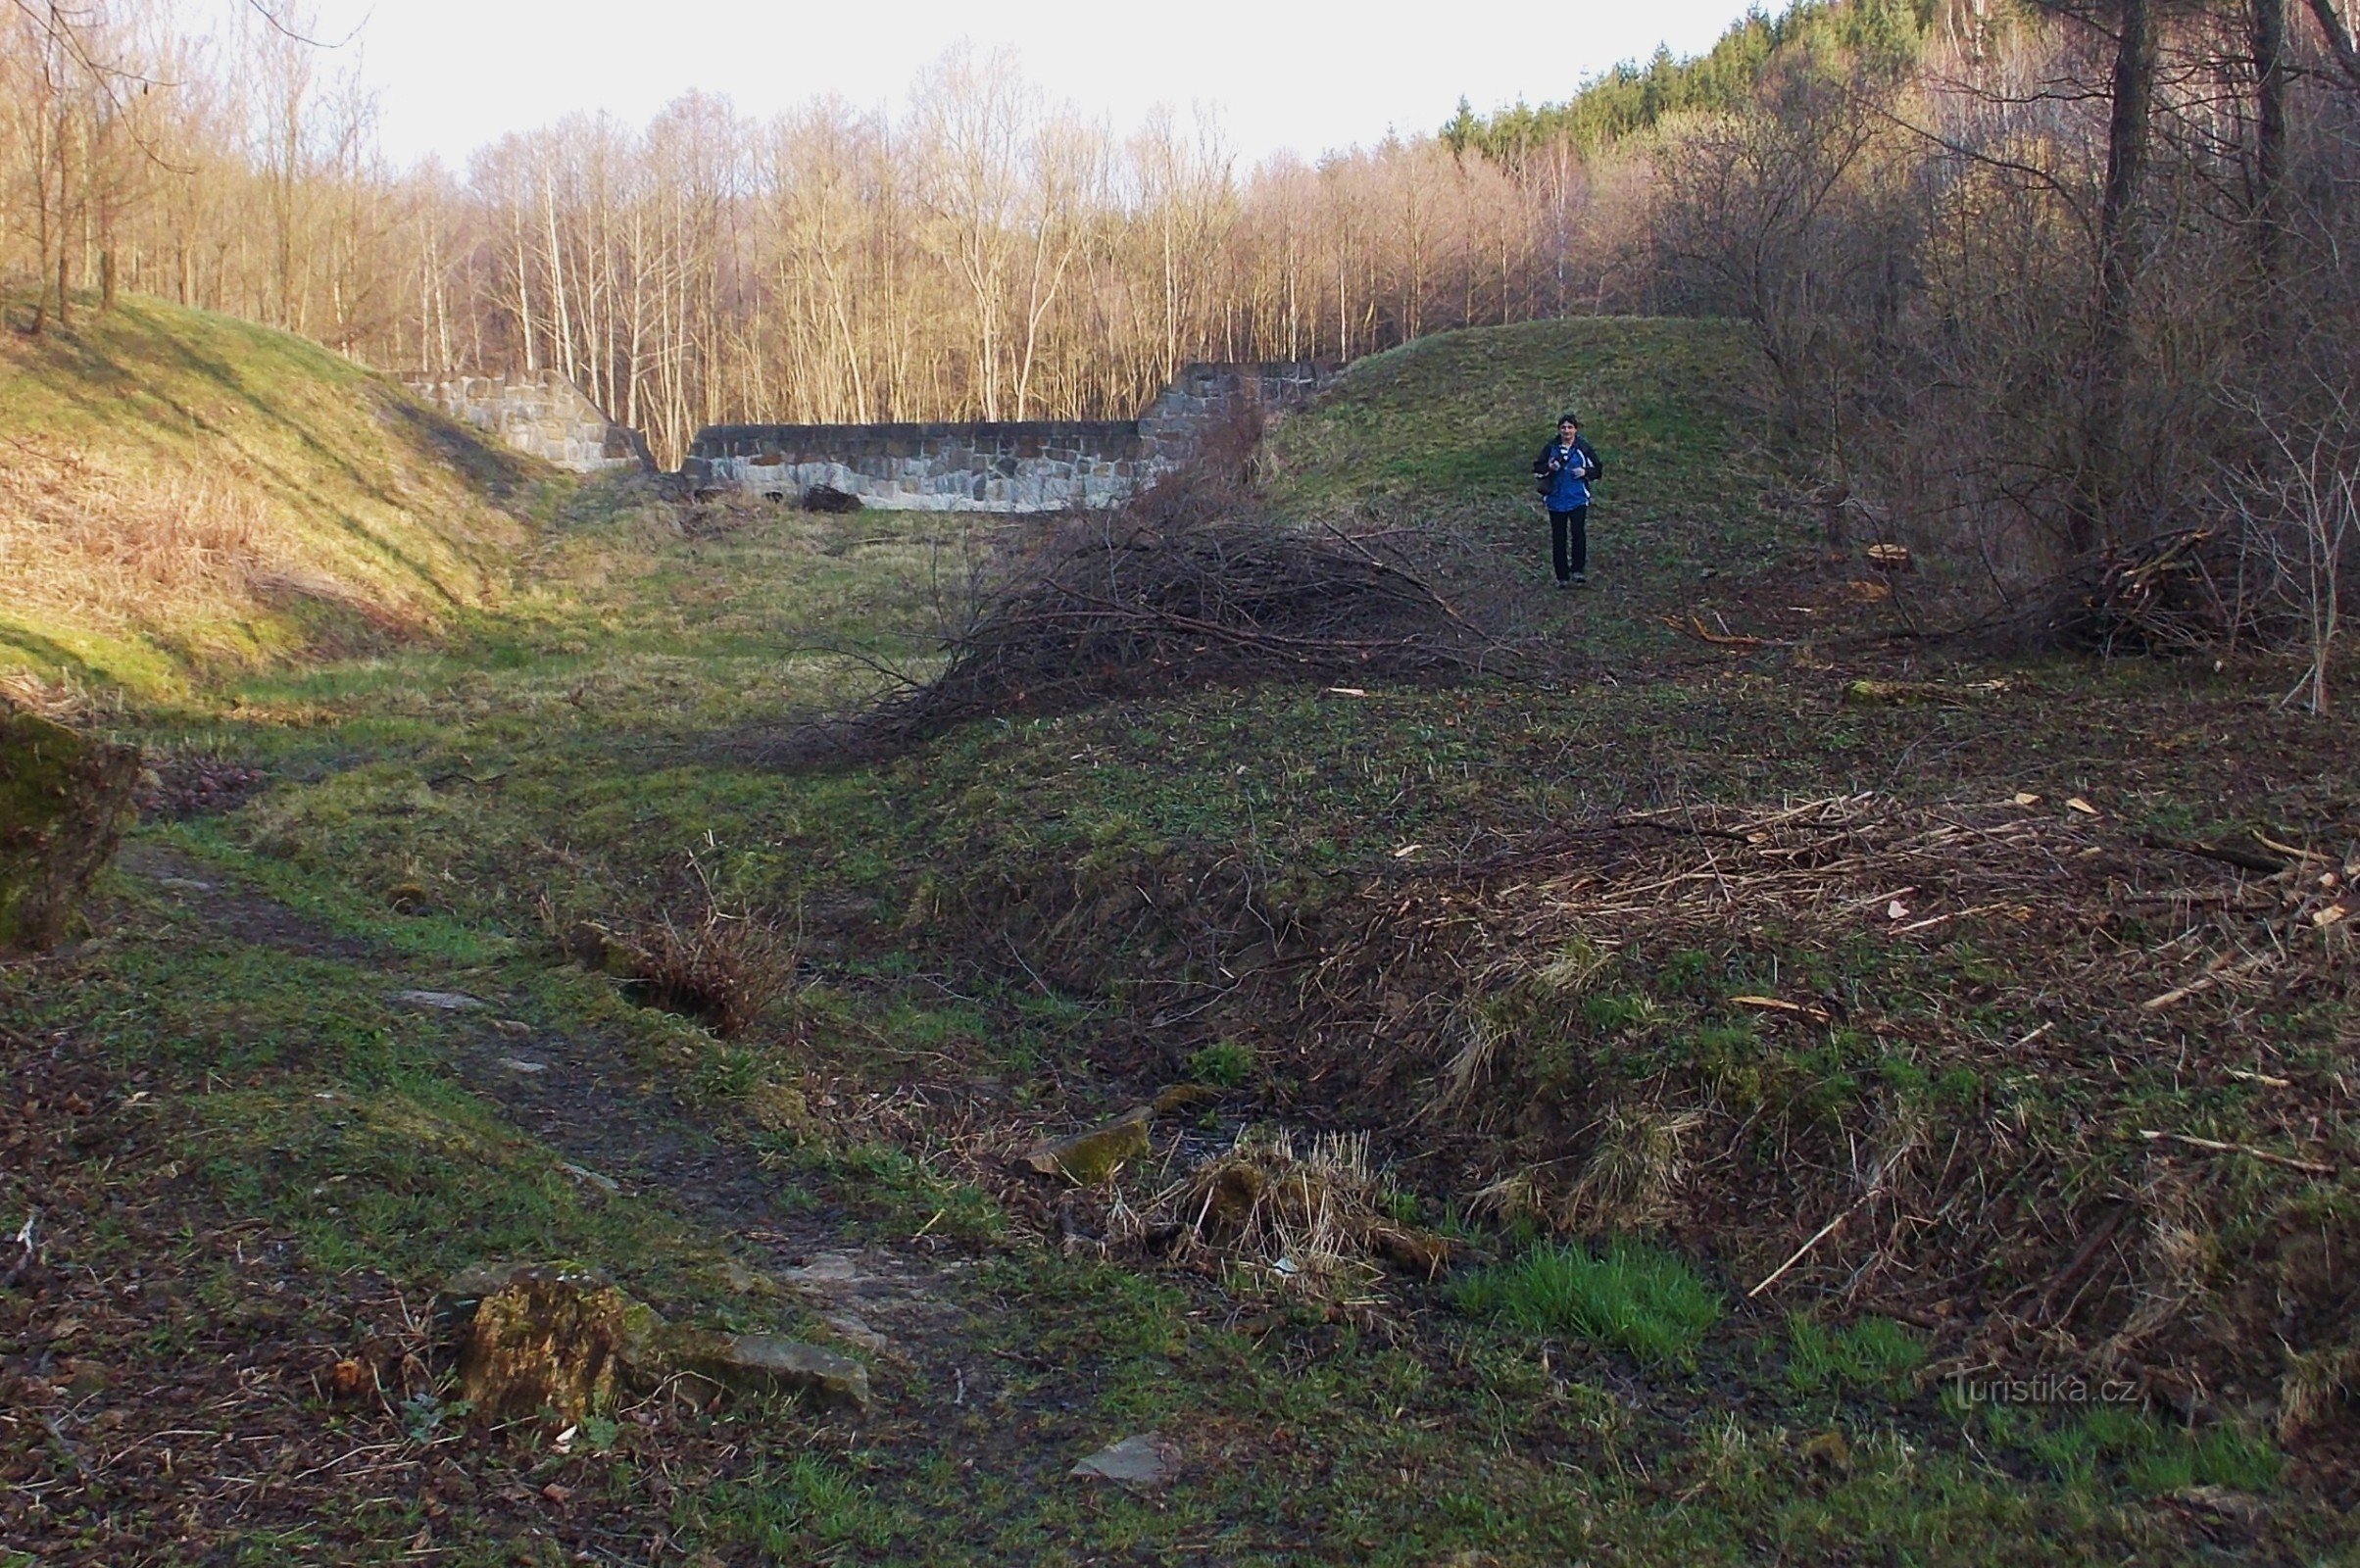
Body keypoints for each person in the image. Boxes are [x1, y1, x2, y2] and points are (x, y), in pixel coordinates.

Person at [1532, 413, 1603, 588]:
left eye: (1570, 427)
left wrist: (1585, 472)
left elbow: (1598, 470)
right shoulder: (1550, 448)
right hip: (1556, 501)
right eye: (1563, 427)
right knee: (1559, 538)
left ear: (1575, 429)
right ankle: (1562, 576)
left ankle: (1578, 571)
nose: (1566, 431)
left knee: (1578, 534)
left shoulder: (1583, 448)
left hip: (1578, 499)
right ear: (1559, 430)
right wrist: (1549, 467)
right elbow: (1537, 469)